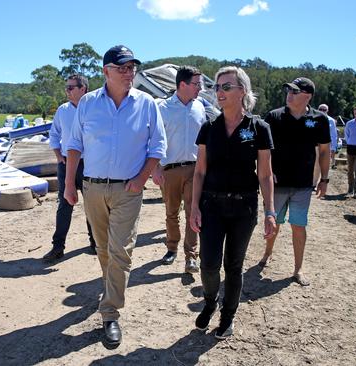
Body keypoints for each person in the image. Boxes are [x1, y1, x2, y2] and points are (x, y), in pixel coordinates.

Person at [64, 45, 166, 348]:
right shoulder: (88, 104)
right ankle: (111, 286)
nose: (129, 72)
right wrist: (70, 184)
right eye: (122, 67)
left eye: (132, 67)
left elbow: (157, 146)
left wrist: (141, 178)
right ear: (106, 71)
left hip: (128, 190)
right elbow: (73, 145)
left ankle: (110, 313)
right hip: (93, 188)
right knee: (104, 249)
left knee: (121, 250)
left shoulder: (147, 104)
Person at [190, 66, 275, 340]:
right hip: (211, 205)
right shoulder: (208, 128)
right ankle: (210, 301)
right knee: (209, 263)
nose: (220, 92)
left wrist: (270, 212)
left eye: (227, 87)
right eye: (217, 87)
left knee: (233, 265)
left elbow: (264, 173)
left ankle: (228, 316)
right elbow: (200, 171)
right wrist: (193, 207)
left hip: (244, 207)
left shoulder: (259, 128)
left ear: (243, 91)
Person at [258, 77, 331, 287]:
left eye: (295, 91)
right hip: (277, 184)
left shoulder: (318, 119)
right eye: (288, 90)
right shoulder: (274, 116)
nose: (289, 94)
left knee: (299, 226)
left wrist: (324, 179)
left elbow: (325, 151)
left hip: (303, 185)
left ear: (307, 96)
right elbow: (263, 150)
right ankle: (267, 254)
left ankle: (298, 269)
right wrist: (267, 173)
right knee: (274, 223)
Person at [152, 66, 206, 273]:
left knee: (194, 212)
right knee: (171, 212)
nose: (199, 88)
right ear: (182, 84)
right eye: (196, 84)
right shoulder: (163, 108)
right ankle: (171, 248)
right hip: (170, 170)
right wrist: (156, 169)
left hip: (195, 169)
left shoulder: (200, 106)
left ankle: (191, 256)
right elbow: (154, 141)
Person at [43, 74, 96, 262]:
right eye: (66, 87)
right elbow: (54, 134)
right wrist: (58, 156)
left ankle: (95, 243)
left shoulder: (93, 108)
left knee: (92, 205)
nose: (67, 91)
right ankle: (58, 247)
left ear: (83, 89)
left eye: (71, 87)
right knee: (64, 205)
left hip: (89, 164)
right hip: (66, 164)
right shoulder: (63, 110)